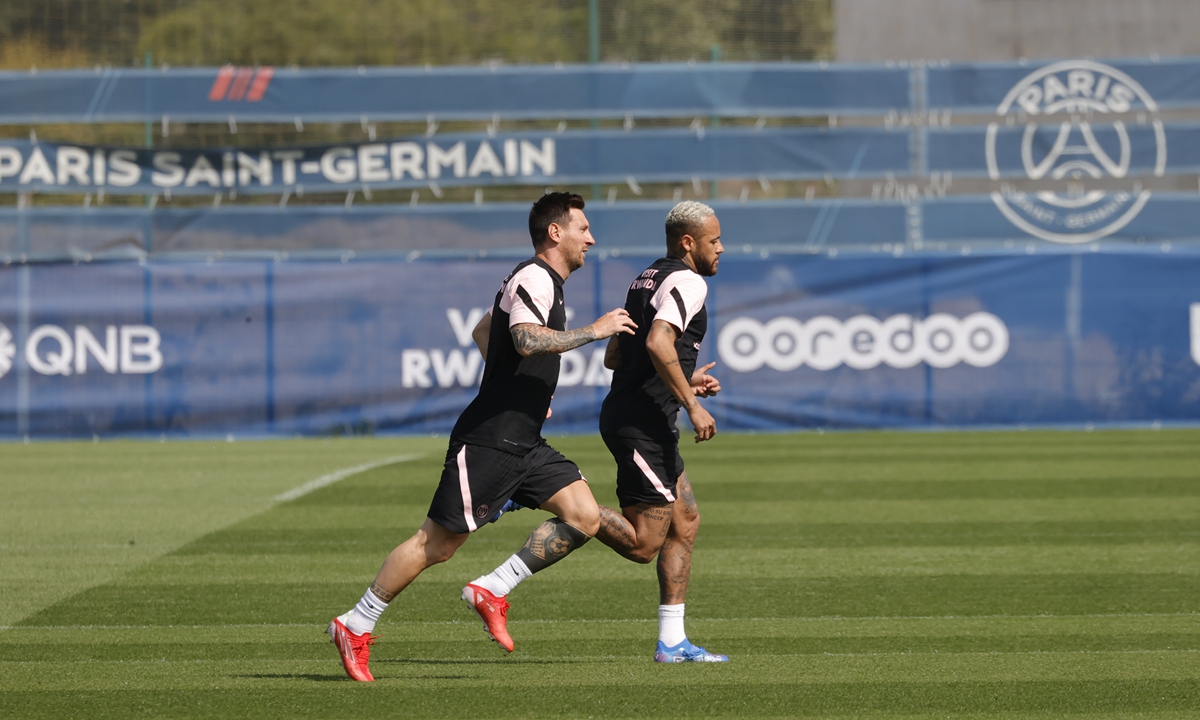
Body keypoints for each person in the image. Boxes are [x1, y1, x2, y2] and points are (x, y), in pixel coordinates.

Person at [327, 191, 636, 682]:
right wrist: (595, 331)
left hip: (525, 439)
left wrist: (523, 390)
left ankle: (492, 588)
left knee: (583, 515)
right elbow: (524, 339)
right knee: (438, 544)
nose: (591, 238)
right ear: (556, 233)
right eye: (583, 228)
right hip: (491, 440)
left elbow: (483, 330)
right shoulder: (536, 275)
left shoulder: (543, 281)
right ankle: (354, 622)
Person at [596, 200, 727, 663]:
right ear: (688, 242)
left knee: (685, 520)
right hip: (640, 423)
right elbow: (656, 342)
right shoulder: (688, 281)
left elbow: (617, 357)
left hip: (641, 414)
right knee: (644, 544)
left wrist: (683, 380)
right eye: (714, 241)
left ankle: (672, 642)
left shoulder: (645, 277)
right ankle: (553, 496)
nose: (722, 249)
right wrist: (692, 405)